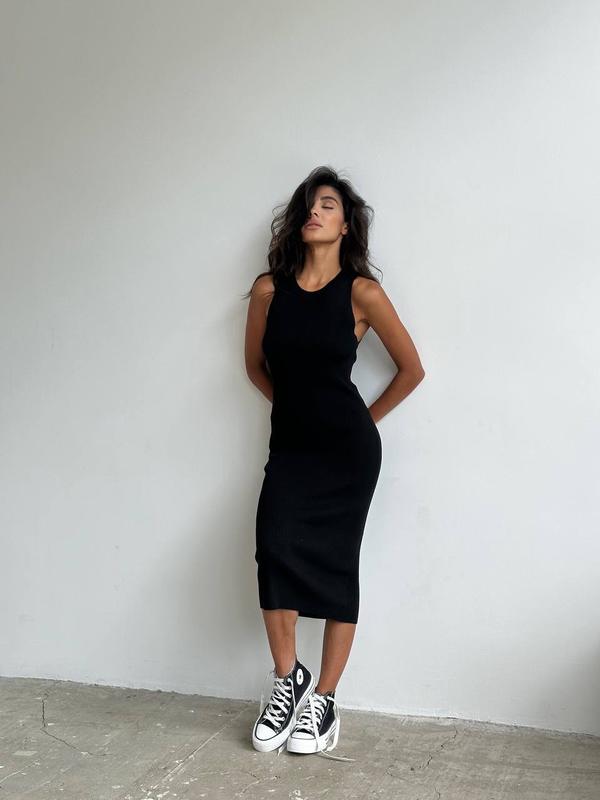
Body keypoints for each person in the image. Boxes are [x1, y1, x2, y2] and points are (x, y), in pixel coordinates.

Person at [244, 166, 425, 760]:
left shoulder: (361, 293)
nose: (315, 212)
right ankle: (288, 680)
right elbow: (255, 367)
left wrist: (360, 422)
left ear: (347, 225)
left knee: (337, 566)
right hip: (291, 449)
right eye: (309, 204)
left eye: (328, 205)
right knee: (274, 549)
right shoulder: (269, 290)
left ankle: (323, 700)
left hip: (348, 455)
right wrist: (296, 411)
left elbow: (412, 370)